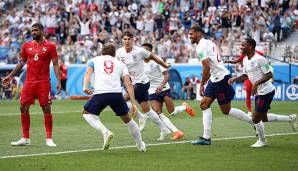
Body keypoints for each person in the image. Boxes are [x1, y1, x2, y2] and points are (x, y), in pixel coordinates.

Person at [188, 25, 254, 145]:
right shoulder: (209, 43)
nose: (189, 36)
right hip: (215, 78)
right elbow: (211, 64)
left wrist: (202, 83)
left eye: (191, 34)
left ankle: (253, 122)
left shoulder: (200, 47)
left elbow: (207, 66)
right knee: (204, 104)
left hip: (221, 79)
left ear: (198, 33)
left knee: (226, 110)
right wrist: (208, 80)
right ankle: (206, 138)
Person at [228, 38, 297, 147]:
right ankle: (290, 119)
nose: (241, 47)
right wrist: (235, 78)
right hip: (260, 92)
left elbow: (269, 75)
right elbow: (246, 75)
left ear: (250, 46)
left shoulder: (260, 59)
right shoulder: (245, 60)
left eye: (243, 45)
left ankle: (262, 141)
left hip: (266, 91)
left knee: (255, 118)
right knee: (263, 118)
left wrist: (255, 84)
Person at [1, 23, 61, 147]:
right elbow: (21, 62)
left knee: (46, 108)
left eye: (35, 30)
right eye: (32, 30)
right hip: (29, 83)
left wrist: (59, 81)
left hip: (43, 83)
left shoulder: (50, 46)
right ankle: (25, 138)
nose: (33, 32)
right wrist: (10, 76)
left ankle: (49, 138)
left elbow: (55, 64)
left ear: (42, 31)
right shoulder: (26, 46)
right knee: (23, 108)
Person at [82, 43, 146, 152]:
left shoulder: (94, 60)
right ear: (114, 53)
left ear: (102, 51)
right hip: (116, 95)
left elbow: (88, 72)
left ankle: (105, 132)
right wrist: (134, 103)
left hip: (100, 94)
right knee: (129, 121)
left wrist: (85, 87)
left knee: (86, 113)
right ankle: (140, 145)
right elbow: (128, 84)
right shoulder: (121, 64)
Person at [116, 29, 171, 140]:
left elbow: (154, 57)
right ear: (122, 40)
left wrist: (164, 64)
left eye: (129, 39)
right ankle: (164, 129)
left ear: (133, 40)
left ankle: (141, 117)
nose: (127, 41)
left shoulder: (140, 51)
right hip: (132, 82)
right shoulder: (119, 52)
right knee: (147, 109)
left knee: (120, 100)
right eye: (125, 39)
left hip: (141, 82)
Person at [142, 42, 196, 140]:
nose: (143, 52)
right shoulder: (139, 62)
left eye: (145, 50)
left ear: (150, 51)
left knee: (171, 111)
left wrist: (161, 85)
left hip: (164, 88)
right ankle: (176, 132)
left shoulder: (157, 60)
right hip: (152, 91)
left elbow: (167, 75)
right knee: (158, 113)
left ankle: (184, 107)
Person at [225, 50, 264, 116]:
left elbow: (262, 54)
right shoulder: (244, 56)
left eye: (244, 45)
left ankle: (258, 110)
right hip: (248, 78)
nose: (242, 48)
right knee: (248, 94)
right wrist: (230, 61)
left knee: (258, 94)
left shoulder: (257, 55)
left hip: (256, 78)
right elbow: (238, 60)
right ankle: (249, 111)